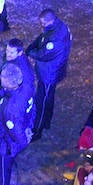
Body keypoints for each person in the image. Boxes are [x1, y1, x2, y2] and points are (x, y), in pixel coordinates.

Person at [27, 8, 71, 141]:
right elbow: (42, 39)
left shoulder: (55, 39)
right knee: (48, 97)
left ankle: (37, 130)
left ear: (50, 20)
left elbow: (43, 54)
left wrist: (29, 52)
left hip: (49, 74)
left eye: (43, 23)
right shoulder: (60, 26)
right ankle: (46, 121)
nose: (42, 25)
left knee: (42, 102)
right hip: (53, 70)